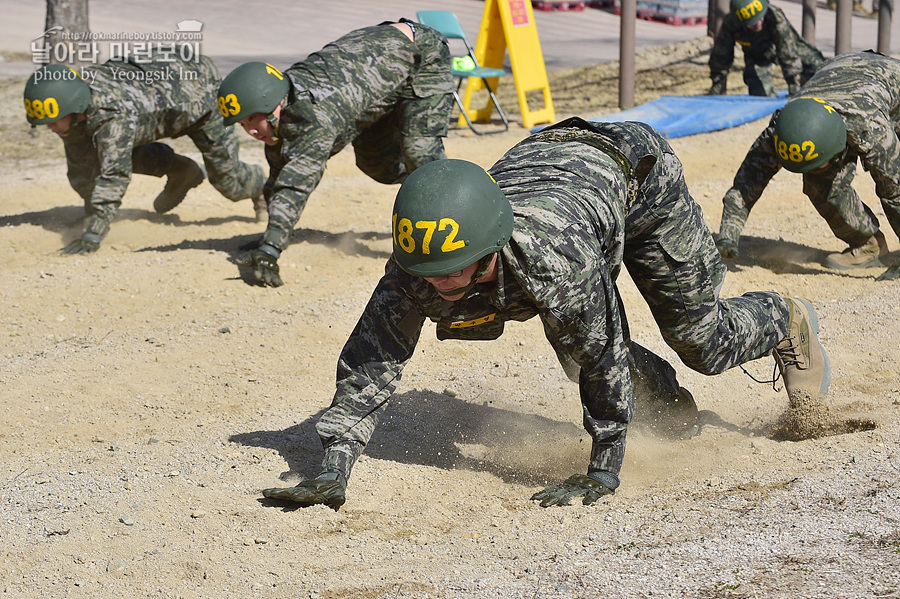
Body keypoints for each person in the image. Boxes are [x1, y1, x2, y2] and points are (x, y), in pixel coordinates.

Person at [261, 117, 831, 511]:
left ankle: (784, 318)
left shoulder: (555, 263)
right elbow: (372, 356)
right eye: (432, 272)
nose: (442, 283)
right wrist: (333, 464)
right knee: (572, 344)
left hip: (637, 174)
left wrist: (603, 470)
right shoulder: (424, 256)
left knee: (698, 341)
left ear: (489, 247)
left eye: (458, 269)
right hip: (545, 159)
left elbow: (603, 351)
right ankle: (670, 405)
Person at [218, 19, 455, 288]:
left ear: (271, 103)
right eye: (242, 124)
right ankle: (434, 184)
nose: (249, 130)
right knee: (376, 163)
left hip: (421, 55)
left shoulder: (315, 116)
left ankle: (455, 213)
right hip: (378, 72)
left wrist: (271, 250)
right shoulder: (284, 106)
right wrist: (269, 239)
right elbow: (280, 174)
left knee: (420, 155)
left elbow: (296, 184)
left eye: (251, 119)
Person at [23, 56, 266, 255]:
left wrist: (93, 234)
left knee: (229, 183)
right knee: (97, 153)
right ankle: (181, 170)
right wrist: (92, 214)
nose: (50, 128)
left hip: (200, 99)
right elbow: (82, 170)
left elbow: (113, 176)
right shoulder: (75, 103)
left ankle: (263, 189)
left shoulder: (112, 115)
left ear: (74, 108)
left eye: (53, 121)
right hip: (154, 104)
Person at [715, 51, 900, 281]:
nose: (815, 170)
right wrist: (728, 235)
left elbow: (894, 190)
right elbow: (748, 181)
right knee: (819, 184)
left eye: (821, 163)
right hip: (838, 76)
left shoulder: (869, 125)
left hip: (890, 83)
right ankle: (868, 245)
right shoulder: (782, 128)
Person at [708, 0, 825, 97]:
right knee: (761, 96)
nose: (757, 23)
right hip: (758, 56)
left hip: (789, 47)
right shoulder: (730, 24)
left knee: (820, 67)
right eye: (752, 23)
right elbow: (721, 56)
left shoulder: (774, 16)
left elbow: (787, 51)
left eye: (760, 18)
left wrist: (793, 88)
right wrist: (716, 86)